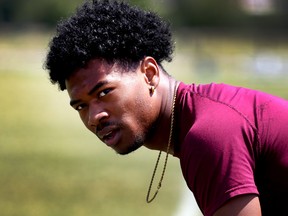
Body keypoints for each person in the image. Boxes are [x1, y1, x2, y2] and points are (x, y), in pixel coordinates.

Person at [44, 0, 288, 215]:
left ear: (149, 74)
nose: (94, 117)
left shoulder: (209, 134)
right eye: (81, 107)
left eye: (104, 92)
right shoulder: (196, 115)